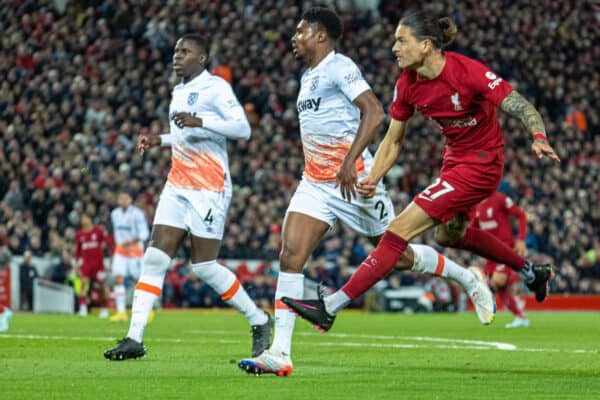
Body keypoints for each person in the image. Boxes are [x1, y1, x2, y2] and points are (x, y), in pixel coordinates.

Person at [238, 7, 495, 377]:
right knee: (290, 255)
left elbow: (374, 113)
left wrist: (351, 161)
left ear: (320, 35)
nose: (295, 38)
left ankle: (466, 277)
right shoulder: (307, 77)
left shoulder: (340, 66)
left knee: (397, 254)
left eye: (301, 31)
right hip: (315, 183)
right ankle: (280, 352)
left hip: (354, 181)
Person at [282, 10, 559, 333]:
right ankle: (530, 272)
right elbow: (394, 139)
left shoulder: (467, 72)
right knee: (448, 235)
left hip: (482, 164)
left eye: (401, 41)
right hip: (454, 161)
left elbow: (519, 104)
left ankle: (332, 306)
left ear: (426, 45)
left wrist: (538, 136)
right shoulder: (408, 84)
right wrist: (374, 177)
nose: (394, 48)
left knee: (397, 230)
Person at [104, 33, 272, 361]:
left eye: (185, 51)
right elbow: (186, 134)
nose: (177, 56)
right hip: (178, 183)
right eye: (176, 51)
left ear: (202, 58)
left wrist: (201, 120)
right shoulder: (178, 90)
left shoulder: (216, 88)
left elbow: (243, 128)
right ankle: (134, 338)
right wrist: (159, 140)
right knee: (154, 258)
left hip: (209, 187)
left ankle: (258, 318)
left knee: (205, 266)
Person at [472, 191, 529, 328]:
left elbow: (520, 215)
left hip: (504, 248)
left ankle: (523, 275)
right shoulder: (476, 205)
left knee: (498, 280)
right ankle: (520, 317)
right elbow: (473, 229)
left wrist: (521, 239)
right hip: (489, 252)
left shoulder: (500, 198)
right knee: (498, 286)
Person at [108, 191, 150, 322]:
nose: (122, 200)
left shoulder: (137, 214)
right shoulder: (114, 214)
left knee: (140, 282)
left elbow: (144, 233)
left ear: (130, 200)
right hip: (121, 251)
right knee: (118, 279)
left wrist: (131, 242)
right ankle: (121, 312)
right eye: (120, 198)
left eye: (125, 198)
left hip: (135, 251)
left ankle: (146, 311)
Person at [74, 213, 109, 318]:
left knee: (101, 286)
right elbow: (78, 251)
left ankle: (104, 308)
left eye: (85, 218)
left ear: (90, 219)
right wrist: (76, 263)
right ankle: (83, 308)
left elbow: (105, 245)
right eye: (82, 219)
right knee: (83, 283)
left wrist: (106, 261)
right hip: (86, 263)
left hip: (98, 264)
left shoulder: (98, 231)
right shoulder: (79, 234)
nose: (83, 221)